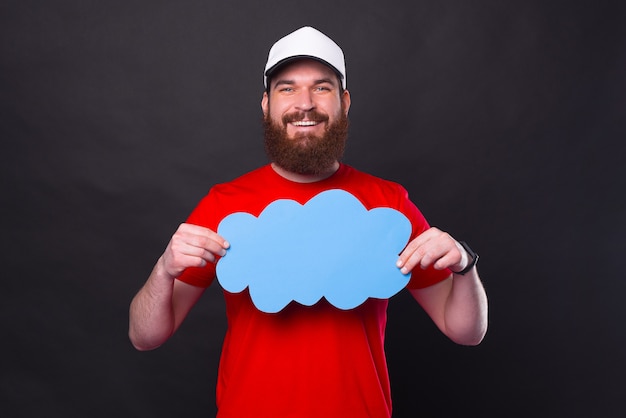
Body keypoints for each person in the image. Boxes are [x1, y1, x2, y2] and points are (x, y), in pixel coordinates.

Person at [129, 26, 488, 417]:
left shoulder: (389, 204)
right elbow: (145, 336)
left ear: (344, 102)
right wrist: (164, 269)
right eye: (287, 88)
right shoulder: (224, 205)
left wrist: (463, 264)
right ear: (266, 104)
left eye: (322, 87)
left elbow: (466, 332)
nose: (305, 103)